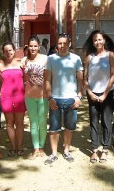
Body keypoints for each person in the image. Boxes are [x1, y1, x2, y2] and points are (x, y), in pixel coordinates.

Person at [44, 33, 83, 165]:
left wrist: (79, 96)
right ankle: (54, 153)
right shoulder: (51, 59)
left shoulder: (76, 59)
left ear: (69, 44)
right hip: (55, 98)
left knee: (69, 127)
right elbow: (47, 80)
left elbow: (80, 80)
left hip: (71, 99)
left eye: (65, 43)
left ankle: (66, 151)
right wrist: (49, 97)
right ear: (57, 44)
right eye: (60, 43)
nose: (62, 46)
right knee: (54, 128)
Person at [83, 30, 114, 163]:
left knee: (107, 122)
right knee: (94, 122)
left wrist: (105, 94)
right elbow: (85, 78)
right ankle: (94, 150)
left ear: (104, 41)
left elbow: (113, 75)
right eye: (95, 40)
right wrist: (90, 93)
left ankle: (105, 149)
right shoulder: (89, 56)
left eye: (100, 39)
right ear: (93, 42)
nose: (98, 42)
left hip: (107, 93)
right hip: (92, 94)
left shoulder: (110, 55)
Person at [21, 36, 48, 159]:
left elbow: (49, 77)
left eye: (35, 46)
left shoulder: (45, 59)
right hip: (29, 96)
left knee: (42, 123)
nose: (33, 48)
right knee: (33, 123)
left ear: (39, 47)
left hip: (43, 96)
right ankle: (36, 148)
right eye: (31, 46)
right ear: (28, 46)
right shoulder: (24, 60)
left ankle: (42, 147)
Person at [0, 42, 26, 157]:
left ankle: (19, 147)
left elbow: (26, 79)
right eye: (5, 51)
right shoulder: (0, 65)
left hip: (19, 96)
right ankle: (13, 147)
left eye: (10, 50)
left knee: (19, 123)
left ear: (14, 51)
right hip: (6, 97)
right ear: (3, 52)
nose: (8, 52)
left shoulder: (21, 64)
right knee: (9, 123)